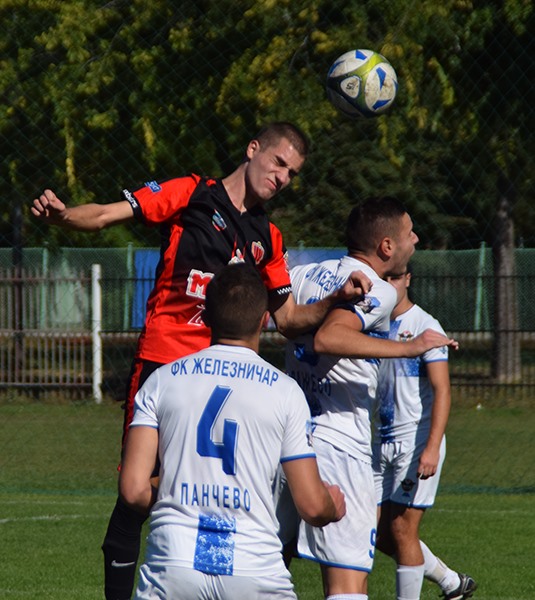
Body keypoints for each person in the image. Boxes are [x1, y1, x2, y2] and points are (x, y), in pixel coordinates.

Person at [31, 122, 369, 600]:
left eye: (292, 173)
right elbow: (106, 214)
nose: (282, 177)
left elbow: (289, 317)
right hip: (164, 365)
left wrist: (336, 298)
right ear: (253, 149)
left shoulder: (267, 238)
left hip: (227, 374)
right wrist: (63, 218)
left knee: (249, 493)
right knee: (136, 495)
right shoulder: (191, 194)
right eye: (278, 163)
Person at [119, 262, 346, 599]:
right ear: (264, 319)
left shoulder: (161, 381)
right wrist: (333, 505)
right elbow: (312, 507)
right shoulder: (285, 392)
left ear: (205, 317)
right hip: (254, 566)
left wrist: (174, 489)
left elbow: (134, 491)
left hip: (174, 562)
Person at [281, 197, 459, 600]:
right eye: (409, 232)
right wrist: (409, 348)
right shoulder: (376, 289)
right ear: (386, 247)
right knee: (348, 584)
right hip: (340, 444)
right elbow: (330, 338)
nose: (416, 239)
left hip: (290, 439)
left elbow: (269, 316)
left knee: (271, 566)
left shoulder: (308, 273)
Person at [373, 265, 477, 600]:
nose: (386, 285)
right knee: (374, 532)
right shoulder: (371, 323)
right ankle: (450, 582)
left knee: (403, 529)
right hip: (377, 442)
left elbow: (442, 390)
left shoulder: (426, 325)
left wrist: (431, 447)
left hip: (413, 442)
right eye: (382, 277)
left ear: (407, 280)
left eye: (393, 277)